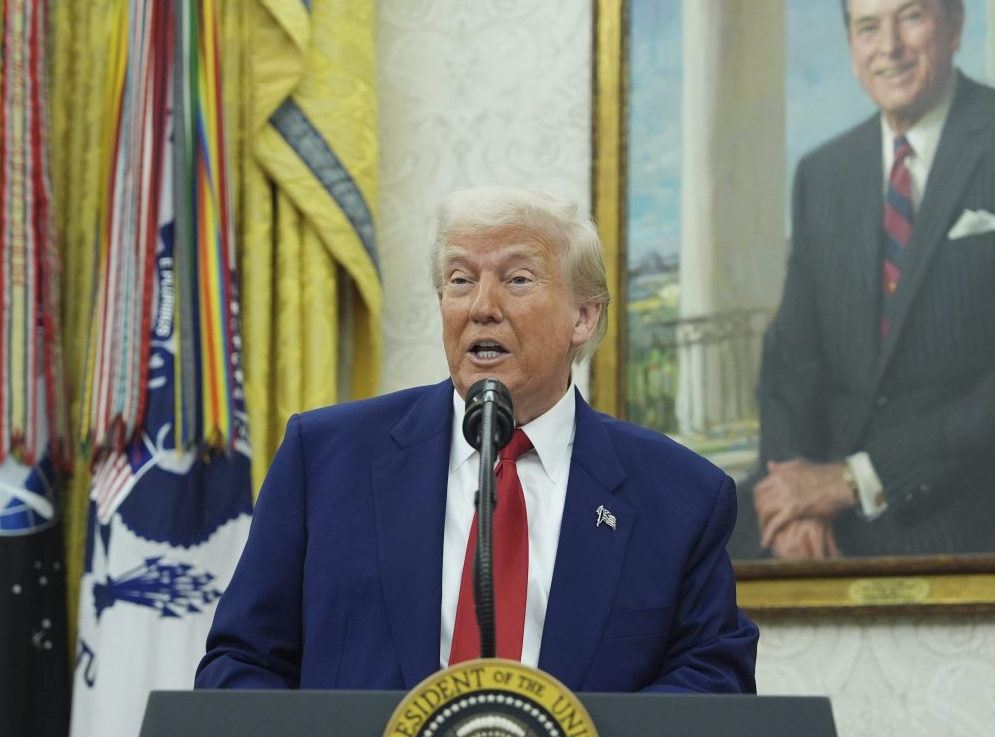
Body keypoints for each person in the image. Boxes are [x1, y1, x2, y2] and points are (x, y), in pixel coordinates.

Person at [197, 186, 757, 692]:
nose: (481, 307)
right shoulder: (324, 459)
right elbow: (242, 664)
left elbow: (712, 681)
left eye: (516, 280)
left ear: (583, 318)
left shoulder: (680, 496)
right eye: (460, 280)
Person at [739, 0, 995, 560]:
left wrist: (854, 480)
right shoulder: (825, 173)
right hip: (826, 505)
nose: (890, 49)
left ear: (955, 23)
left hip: (980, 498)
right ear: (851, 45)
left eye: (911, 17)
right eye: (867, 27)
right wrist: (793, 494)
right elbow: (791, 361)